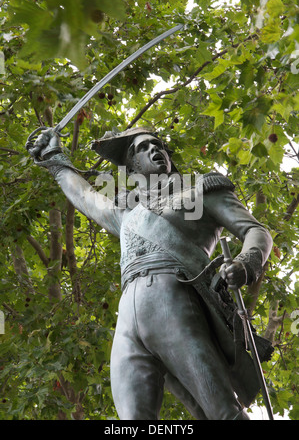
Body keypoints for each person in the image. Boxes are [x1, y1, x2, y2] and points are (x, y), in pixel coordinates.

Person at [27, 126, 273, 420]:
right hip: (128, 319)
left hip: (177, 302)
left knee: (222, 413)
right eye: (144, 148)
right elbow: (85, 196)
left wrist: (246, 263)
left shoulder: (201, 190)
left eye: (158, 145)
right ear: (131, 165)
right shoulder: (125, 213)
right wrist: (54, 157)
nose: (155, 149)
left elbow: (255, 231)